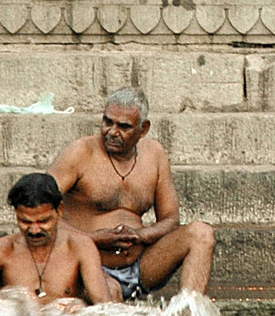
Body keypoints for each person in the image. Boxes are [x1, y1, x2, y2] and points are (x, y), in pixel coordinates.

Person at [49, 87, 216, 298]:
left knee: (201, 233)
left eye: (123, 126)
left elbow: (171, 220)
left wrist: (141, 235)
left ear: (143, 129)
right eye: (107, 122)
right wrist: (92, 238)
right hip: (92, 264)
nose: (111, 132)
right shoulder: (79, 152)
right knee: (112, 292)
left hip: (143, 264)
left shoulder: (154, 154)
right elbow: (40, 212)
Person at [0, 173, 116, 307]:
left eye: (43, 221)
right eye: (25, 222)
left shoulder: (79, 246)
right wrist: (5, 298)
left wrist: (80, 307)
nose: (34, 230)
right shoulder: (1, 249)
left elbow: (104, 305)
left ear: (60, 210)